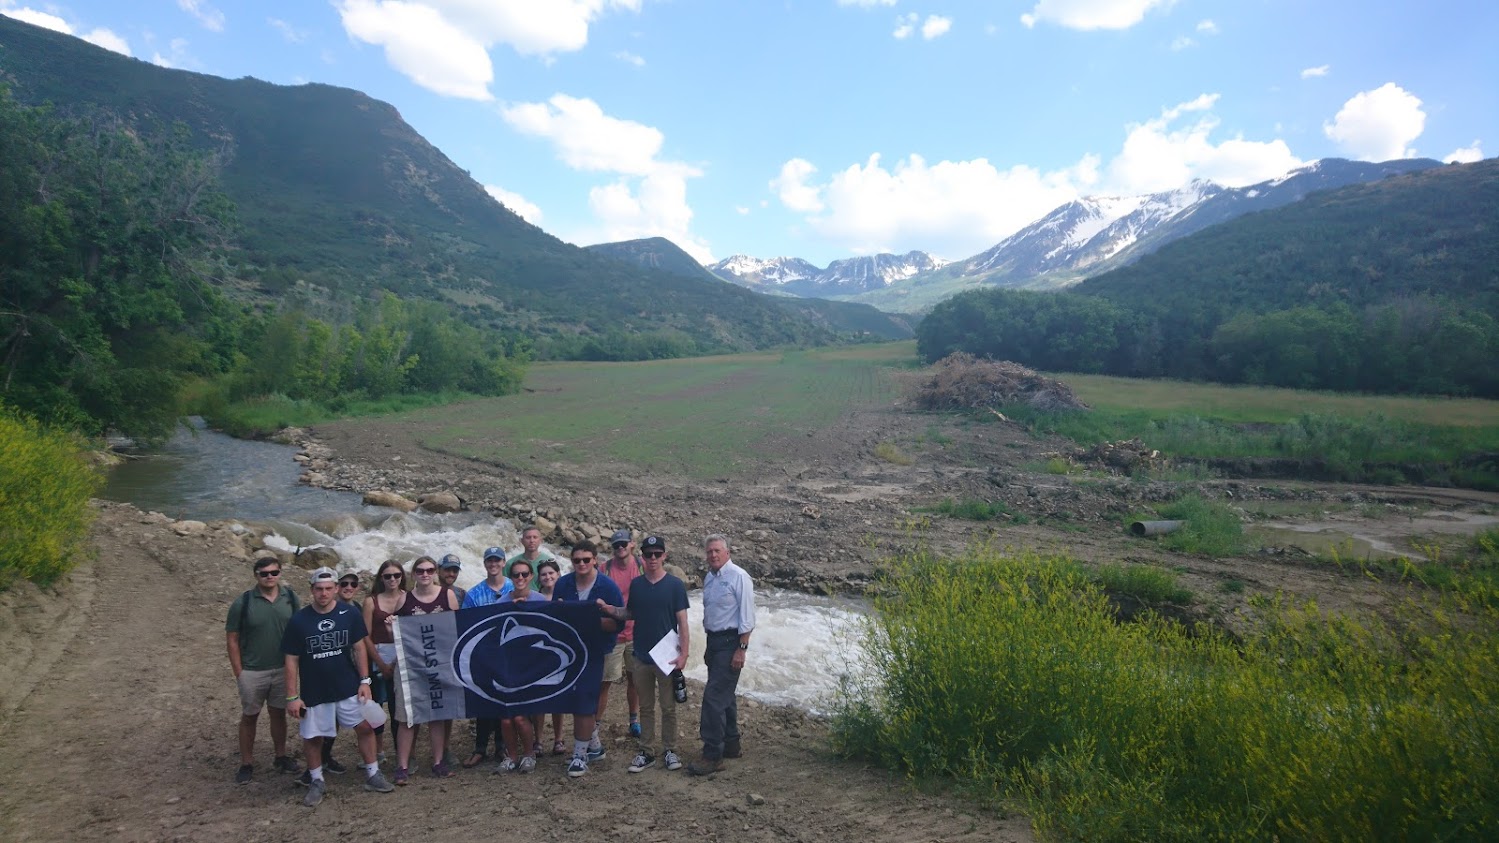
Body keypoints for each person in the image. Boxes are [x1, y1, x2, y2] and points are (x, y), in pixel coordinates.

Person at [281, 567, 394, 806]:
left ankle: (373, 773)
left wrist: (365, 681)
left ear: (335, 589)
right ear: (312, 590)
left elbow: (359, 647)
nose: (324, 593)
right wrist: (292, 696)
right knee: (313, 737)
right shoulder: (299, 620)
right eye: (319, 589)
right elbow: (291, 659)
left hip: (347, 685)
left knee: (365, 727)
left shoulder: (349, 613)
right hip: (315, 690)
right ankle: (316, 780)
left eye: (328, 588)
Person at [601, 535, 690, 773]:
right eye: (648, 554)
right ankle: (647, 751)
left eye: (657, 554)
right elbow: (630, 613)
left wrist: (684, 654)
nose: (652, 558)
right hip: (641, 655)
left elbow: (683, 621)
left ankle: (670, 749)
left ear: (664, 556)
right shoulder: (637, 585)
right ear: (642, 556)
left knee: (669, 707)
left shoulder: (675, 585)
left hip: (667, 656)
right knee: (647, 707)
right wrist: (611, 610)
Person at [225, 553, 300, 784]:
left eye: (274, 573)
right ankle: (246, 763)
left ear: (280, 574)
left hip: (282, 668)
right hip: (252, 670)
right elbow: (232, 638)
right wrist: (239, 672)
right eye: (264, 574)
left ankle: (281, 756)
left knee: (278, 714)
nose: (270, 577)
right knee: (250, 716)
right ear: (256, 575)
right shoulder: (244, 602)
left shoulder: (290, 597)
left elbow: (299, 629)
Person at [552, 540, 624, 777]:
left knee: (584, 700)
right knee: (573, 698)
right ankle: (595, 746)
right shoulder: (562, 584)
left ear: (595, 560)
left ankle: (579, 755)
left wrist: (587, 619)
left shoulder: (608, 587)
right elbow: (555, 618)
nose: (581, 564)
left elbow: (617, 623)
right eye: (576, 560)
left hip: (595, 651)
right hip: (569, 651)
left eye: (586, 559)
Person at [687, 534, 755, 776]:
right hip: (714, 641)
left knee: (713, 698)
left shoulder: (739, 577)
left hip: (731, 642)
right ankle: (731, 743)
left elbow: (748, 618)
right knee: (725, 695)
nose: (713, 555)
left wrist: (742, 649)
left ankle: (712, 754)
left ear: (727, 552)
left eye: (717, 551)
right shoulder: (710, 578)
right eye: (709, 552)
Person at [392, 556, 461, 784]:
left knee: (437, 714)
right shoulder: (404, 599)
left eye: (430, 570)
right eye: (420, 571)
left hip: (438, 663)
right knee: (407, 717)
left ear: (435, 572)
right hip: (411, 666)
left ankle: (438, 761)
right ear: (413, 574)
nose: (425, 574)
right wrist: (391, 627)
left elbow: (456, 627)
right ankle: (402, 765)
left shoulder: (447, 595)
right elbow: (399, 635)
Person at [493, 558, 550, 774]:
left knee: (521, 716)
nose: (520, 578)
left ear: (531, 576)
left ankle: (529, 753)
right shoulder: (501, 603)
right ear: (510, 576)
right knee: (506, 718)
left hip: (532, 666)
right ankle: (512, 756)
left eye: (524, 574)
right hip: (507, 665)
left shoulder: (540, 599)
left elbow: (550, 627)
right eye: (516, 574)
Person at [459, 547, 512, 767]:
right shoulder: (474, 593)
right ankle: (480, 747)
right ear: (484, 564)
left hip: (509, 652)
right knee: (483, 699)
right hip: (482, 653)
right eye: (489, 560)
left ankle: (502, 745)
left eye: (497, 560)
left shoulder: (514, 585)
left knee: (505, 700)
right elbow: (465, 621)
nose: (493, 564)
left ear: (503, 562)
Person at [362, 560, 405, 764]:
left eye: (396, 575)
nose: (392, 579)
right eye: (388, 576)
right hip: (378, 655)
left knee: (400, 708)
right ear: (381, 578)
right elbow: (366, 636)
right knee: (376, 707)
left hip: (402, 656)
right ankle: (378, 751)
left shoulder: (407, 598)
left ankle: (401, 753)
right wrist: (379, 663)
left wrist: (398, 662)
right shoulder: (371, 601)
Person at [603, 529, 643, 738]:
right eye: (616, 545)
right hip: (613, 634)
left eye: (623, 544)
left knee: (635, 680)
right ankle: (595, 724)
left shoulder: (643, 567)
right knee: (605, 681)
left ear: (632, 545)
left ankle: (634, 720)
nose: (620, 548)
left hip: (637, 634)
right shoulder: (605, 569)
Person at [533, 557, 567, 754]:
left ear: (558, 575)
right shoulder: (533, 599)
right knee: (539, 698)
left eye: (551, 573)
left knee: (558, 697)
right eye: (544, 574)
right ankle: (538, 740)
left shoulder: (565, 596)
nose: (547, 577)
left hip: (560, 651)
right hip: (538, 652)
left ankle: (559, 739)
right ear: (539, 578)